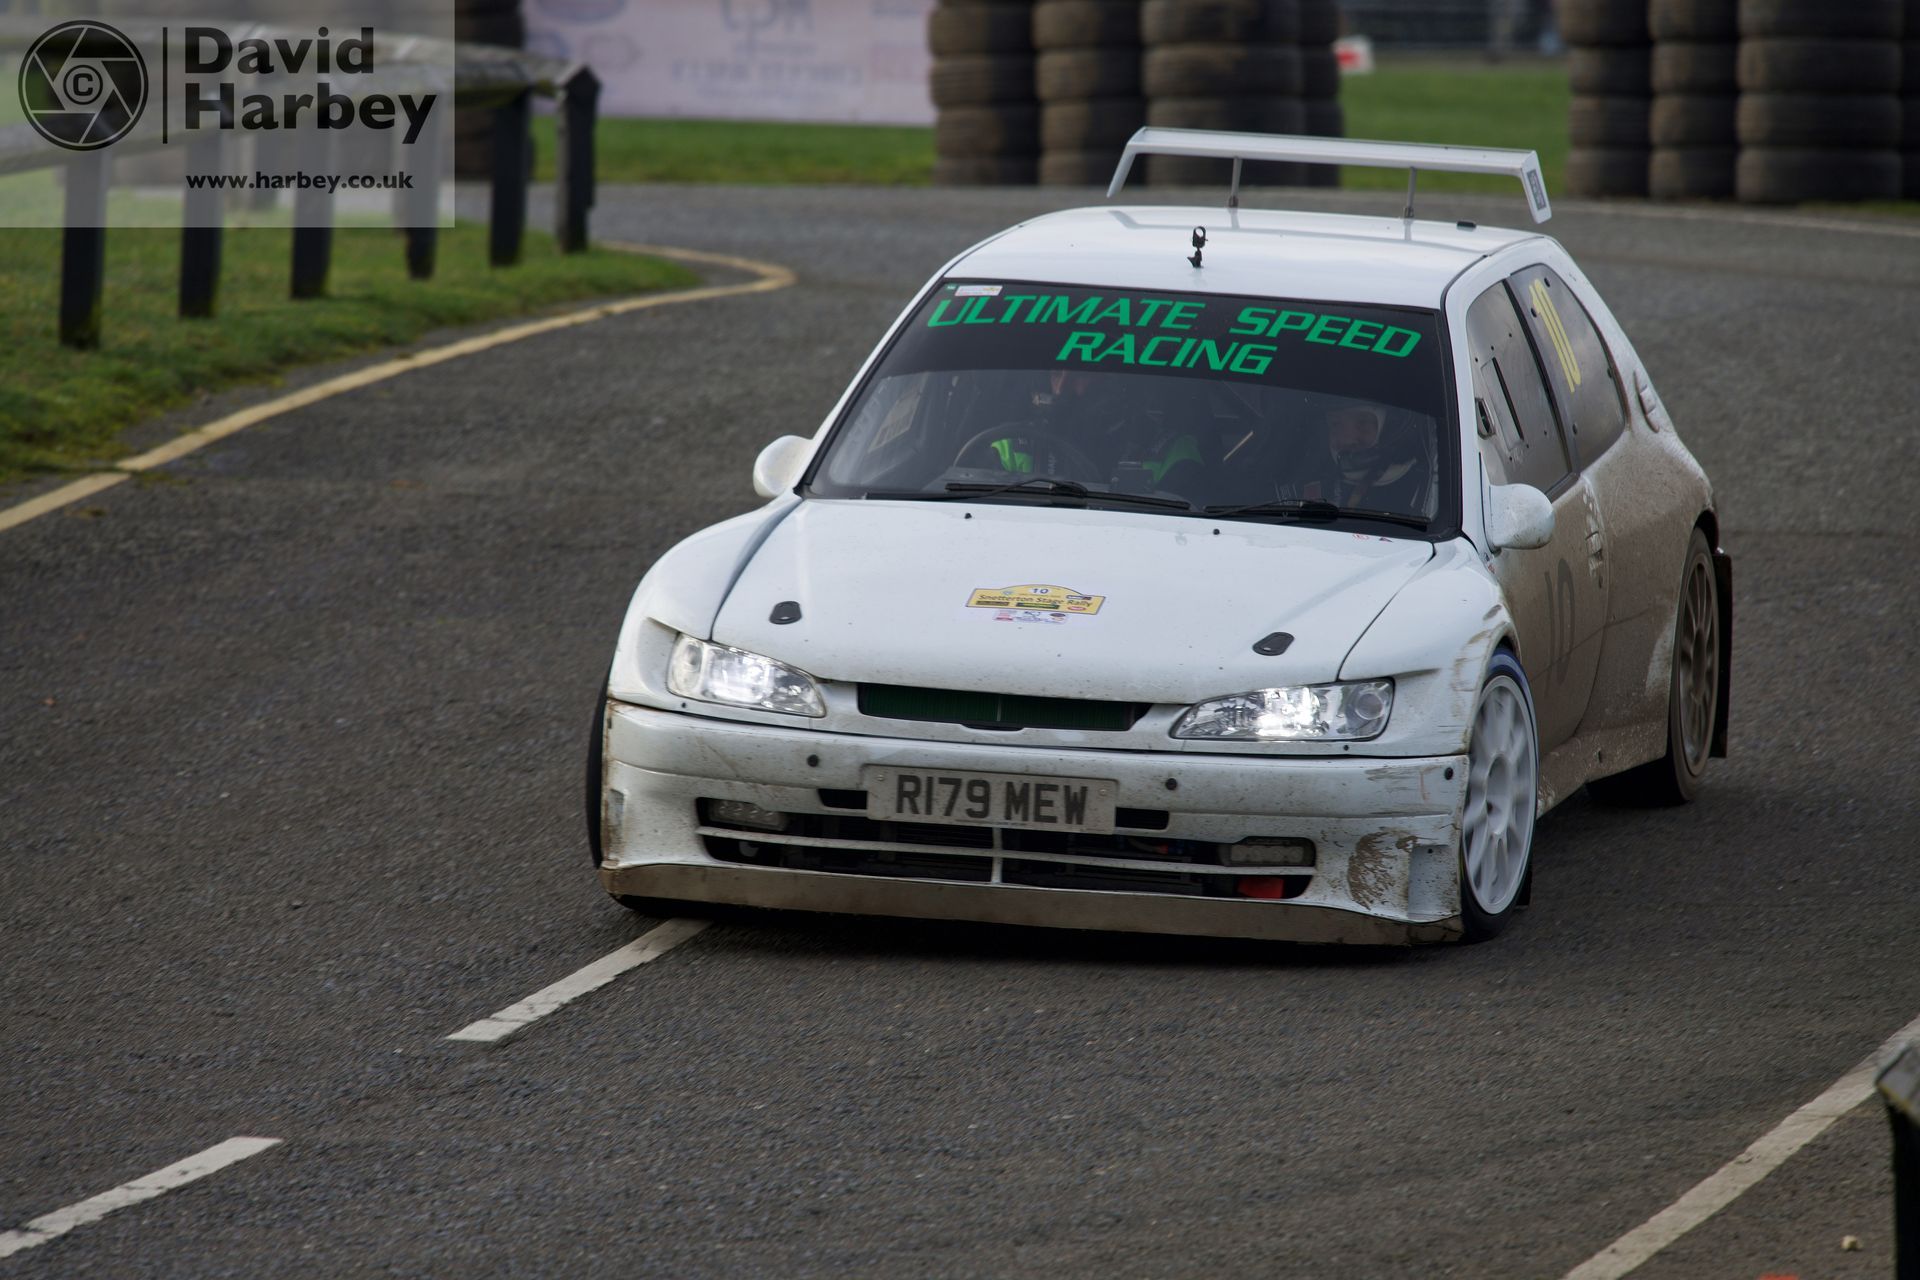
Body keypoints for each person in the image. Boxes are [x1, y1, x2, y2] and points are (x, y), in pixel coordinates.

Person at [1310, 401, 1431, 514]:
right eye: (1335, 423)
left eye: (1363, 422)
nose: (1347, 439)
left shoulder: (1424, 483)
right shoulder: (1311, 472)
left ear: (1388, 427)